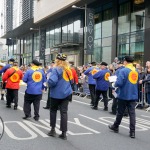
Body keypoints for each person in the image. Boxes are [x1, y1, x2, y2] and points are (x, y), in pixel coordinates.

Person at [108, 56, 139, 138]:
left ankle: (116, 126)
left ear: (125, 62)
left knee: (120, 112)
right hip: (133, 94)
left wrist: (114, 84)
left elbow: (119, 82)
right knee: (132, 113)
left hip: (124, 94)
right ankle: (132, 132)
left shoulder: (123, 70)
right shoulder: (136, 71)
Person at [47, 53, 72, 140]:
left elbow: (52, 82)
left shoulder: (55, 69)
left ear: (57, 60)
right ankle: (64, 132)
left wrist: (48, 82)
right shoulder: (69, 70)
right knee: (64, 112)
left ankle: (53, 129)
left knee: (53, 111)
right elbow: (71, 81)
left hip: (56, 94)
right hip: (66, 93)